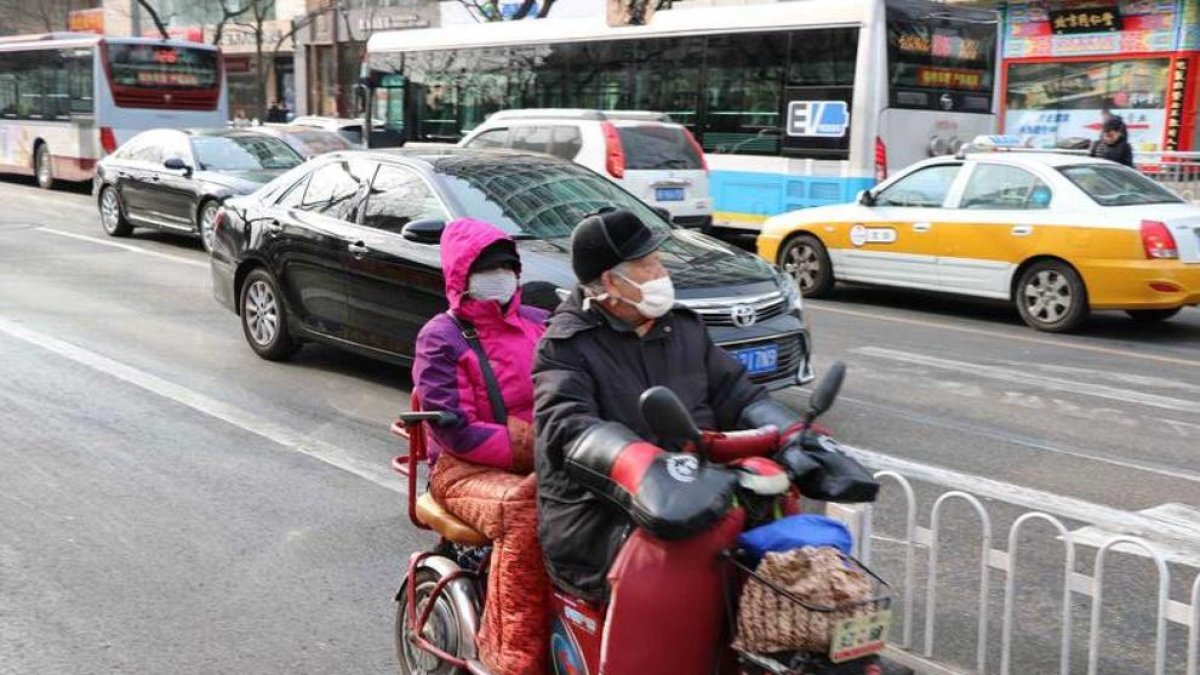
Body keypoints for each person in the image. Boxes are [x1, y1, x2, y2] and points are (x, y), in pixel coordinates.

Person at [532, 209, 823, 673]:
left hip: (699, 488)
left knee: (780, 534)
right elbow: (568, 427)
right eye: (650, 265)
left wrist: (793, 435)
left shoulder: (682, 327)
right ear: (612, 280)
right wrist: (639, 466)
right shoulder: (566, 345)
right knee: (677, 560)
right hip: (599, 512)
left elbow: (735, 392)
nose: (662, 274)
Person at [412, 218, 550, 675]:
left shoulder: (540, 323)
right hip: (463, 469)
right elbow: (456, 431)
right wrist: (527, 447)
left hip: (547, 457)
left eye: (507, 268)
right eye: (487, 270)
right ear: (461, 277)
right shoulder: (441, 337)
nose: (500, 278)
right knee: (526, 511)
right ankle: (512, 659)